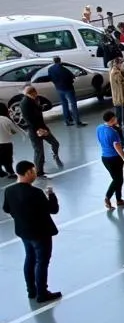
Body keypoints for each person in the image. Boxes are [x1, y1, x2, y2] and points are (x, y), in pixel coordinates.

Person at [2, 160, 61, 302]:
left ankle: (31, 290)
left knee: (30, 258)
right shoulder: (36, 193)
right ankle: (42, 292)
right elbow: (53, 209)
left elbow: (6, 209)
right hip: (40, 232)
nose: (35, 174)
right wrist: (51, 195)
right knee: (42, 262)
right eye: (33, 171)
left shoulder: (9, 190)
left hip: (23, 231)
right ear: (28, 172)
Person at [19, 86, 62, 176]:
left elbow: (48, 104)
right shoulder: (25, 103)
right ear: (28, 94)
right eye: (32, 94)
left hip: (42, 127)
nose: (35, 95)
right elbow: (28, 120)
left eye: (35, 93)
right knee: (39, 151)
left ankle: (55, 154)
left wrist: (43, 107)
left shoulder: (37, 99)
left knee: (55, 143)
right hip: (34, 130)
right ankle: (39, 171)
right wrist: (39, 130)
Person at [97, 109, 124, 209]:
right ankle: (108, 197)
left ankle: (119, 199)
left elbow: (100, 140)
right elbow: (118, 148)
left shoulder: (99, 128)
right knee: (117, 180)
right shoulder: (113, 133)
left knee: (118, 179)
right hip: (114, 158)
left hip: (105, 157)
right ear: (112, 119)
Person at [47, 57, 84, 127]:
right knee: (73, 105)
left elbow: (50, 78)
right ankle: (77, 122)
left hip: (59, 89)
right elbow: (71, 78)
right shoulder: (64, 69)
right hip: (68, 89)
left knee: (64, 104)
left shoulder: (50, 69)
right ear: (60, 61)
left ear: (53, 61)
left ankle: (67, 121)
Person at [0, 101, 19, 177]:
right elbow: (14, 132)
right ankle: (11, 173)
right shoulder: (6, 120)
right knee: (8, 159)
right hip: (6, 143)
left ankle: (1, 172)